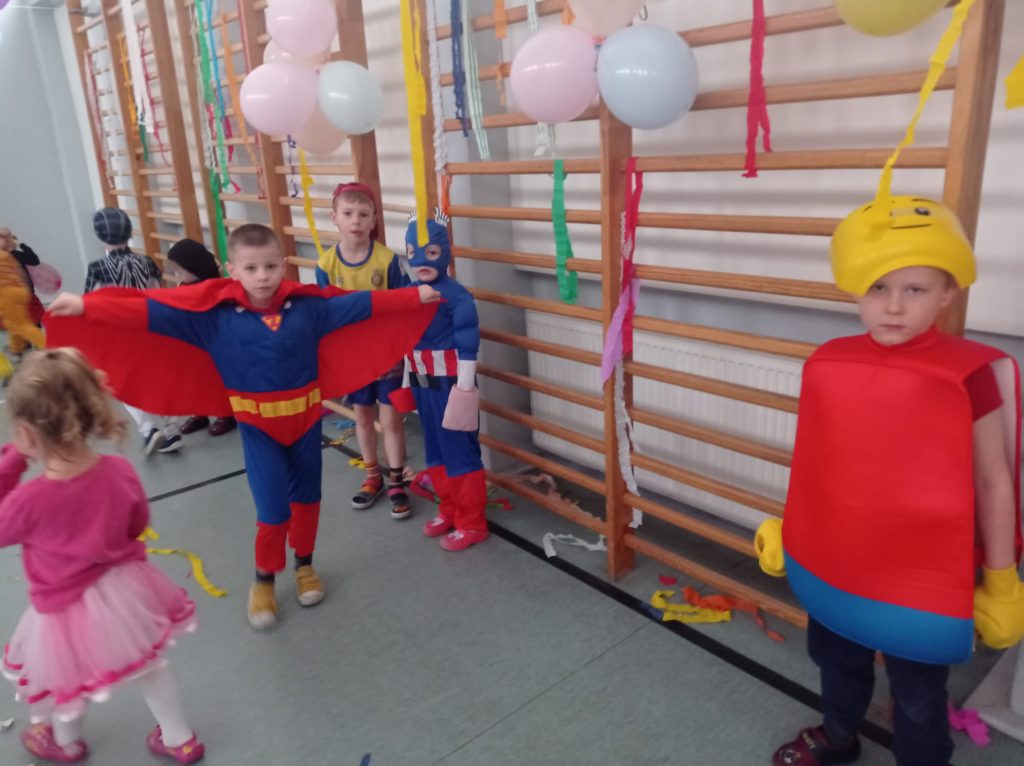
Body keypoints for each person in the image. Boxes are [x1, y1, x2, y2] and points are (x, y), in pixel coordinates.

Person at [47, 223, 439, 630]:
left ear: (283, 265)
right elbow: (150, 311)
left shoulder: (308, 309)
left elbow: (363, 304)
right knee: (272, 512)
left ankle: (304, 565)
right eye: (251, 268)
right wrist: (87, 307)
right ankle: (264, 580)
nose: (263, 276)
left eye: (270, 266)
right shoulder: (213, 318)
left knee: (308, 502)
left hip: (306, 425)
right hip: (259, 432)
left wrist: (414, 296)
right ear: (232, 270)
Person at [756, 196, 1023, 766]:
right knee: (835, 659)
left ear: (947, 292)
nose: (894, 306)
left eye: (915, 288)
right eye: (878, 287)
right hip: (838, 559)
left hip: (921, 575)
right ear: (856, 288)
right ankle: (838, 736)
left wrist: (1002, 582)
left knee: (919, 695)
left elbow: (993, 481)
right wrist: (793, 531)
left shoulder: (969, 376)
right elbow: (819, 465)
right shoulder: (830, 361)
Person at [0, 349, 204, 764]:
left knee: (66, 679)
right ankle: (179, 738)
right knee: (151, 666)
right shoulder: (119, 470)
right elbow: (137, 522)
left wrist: (11, 465)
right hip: (125, 592)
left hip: (63, 609)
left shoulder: (27, 502)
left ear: (26, 434)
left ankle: (66, 742)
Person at [390, 211, 489, 552]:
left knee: (458, 450)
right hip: (422, 380)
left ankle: (472, 523)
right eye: (413, 252)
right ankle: (449, 509)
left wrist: (464, 389)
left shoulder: (457, 296)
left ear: (443, 251)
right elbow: (404, 339)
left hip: (451, 383)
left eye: (430, 252)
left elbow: (468, 342)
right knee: (434, 447)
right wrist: (406, 383)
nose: (421, 261)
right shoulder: (410, 292)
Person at [316, 182, 412, 519]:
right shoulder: (326, 264)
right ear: (335, 218)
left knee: (391, 419)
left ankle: (397, 479)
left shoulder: (387, 261)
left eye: (363, 214)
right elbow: (324, 314)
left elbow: (403, 305)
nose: (355, 220)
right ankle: (373, 477)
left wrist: (400, 348)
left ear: (374, 220)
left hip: (386, 355)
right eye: (348, 213)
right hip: (353, 358)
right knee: (362, 417)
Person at [86, 207, 181, 455]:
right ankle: (172, 429)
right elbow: (158, 294)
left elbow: (90, 304)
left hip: (119, 334)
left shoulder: (97, 268)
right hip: (150, 329)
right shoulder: (146, 262)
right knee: (159, 379)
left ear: (99, 237)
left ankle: (148, 428)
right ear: (130, 233)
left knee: (122, 383)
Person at [165, 238, 236, 438]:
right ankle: (199, 413)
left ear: (194, 267)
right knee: (193, 381)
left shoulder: (214, 287)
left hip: (211, 344)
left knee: (215, 380)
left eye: (180, 270)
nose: (176, 273)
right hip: (189, 344)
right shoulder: (182, 286)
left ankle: (225, 414)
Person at [0, 227, 46, 360]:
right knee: (15, 323)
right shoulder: (9, 257)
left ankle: (46, 346)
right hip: (21, 292)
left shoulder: (10, 255)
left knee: (22, 324)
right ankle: (17, 350)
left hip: (10, 294)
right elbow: (21, 274)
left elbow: (33, 261)